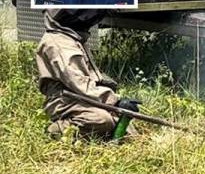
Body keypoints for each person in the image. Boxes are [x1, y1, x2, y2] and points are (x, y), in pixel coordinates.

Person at [36, 9, 137, 140]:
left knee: (126, 128)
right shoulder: (57, 43)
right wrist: (115, 101)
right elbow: (79, 83)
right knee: (101, 120)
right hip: (64, 101)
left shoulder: (72, 38)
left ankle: (100, 136)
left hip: (81, 97)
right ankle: (56, 130)